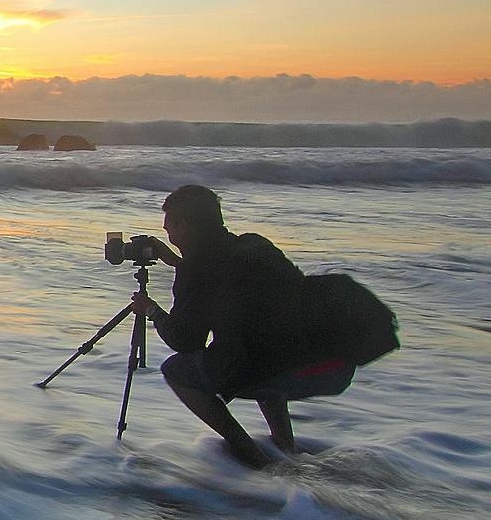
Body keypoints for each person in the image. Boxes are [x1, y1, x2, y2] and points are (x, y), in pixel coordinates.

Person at [131, 184, 353, 468]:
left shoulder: (197, 271)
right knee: (260, 350)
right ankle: (287, 448)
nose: (170, 236)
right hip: (329, 364)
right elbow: (223, 271)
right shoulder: (256, 245)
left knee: (177, 370)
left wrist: (151, 310)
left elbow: (186, 342)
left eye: (169, 229)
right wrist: (179, 264)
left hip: (277, 370)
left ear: (183, 224)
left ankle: (255, 459)